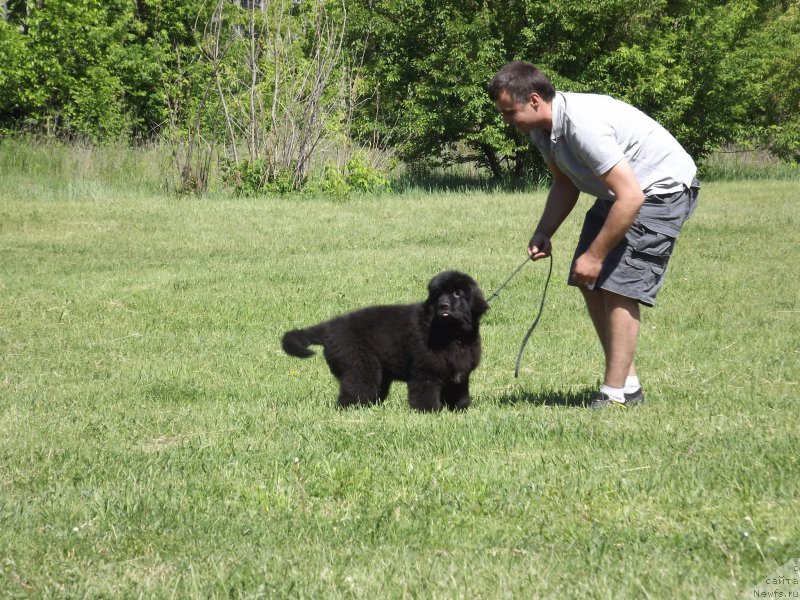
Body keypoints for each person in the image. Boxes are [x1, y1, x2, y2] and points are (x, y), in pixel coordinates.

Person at [488, 61, 699, 409]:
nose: (506, 121)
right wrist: (544, 231)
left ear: (535, 100)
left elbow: (633, 195)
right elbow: (565, 182)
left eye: (510, 112)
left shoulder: (581, 126)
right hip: (618, 194)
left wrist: (597, 255)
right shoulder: (542, 131)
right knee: (588, 281)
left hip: (659, 191)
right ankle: (627, 383)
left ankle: (615, 394)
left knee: (618, 287)